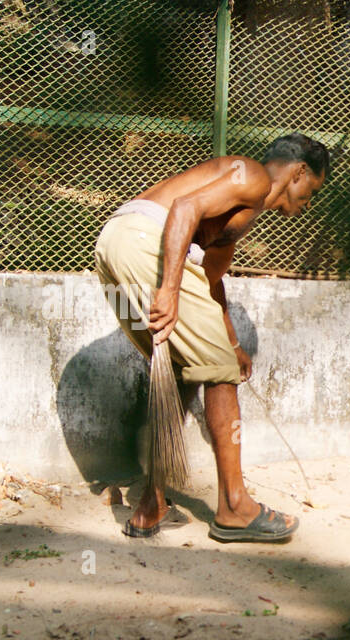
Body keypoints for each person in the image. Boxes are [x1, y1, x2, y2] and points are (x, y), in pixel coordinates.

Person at [93, 133, 329, 542]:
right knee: (220, 374)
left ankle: (152, 505)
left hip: (115, 242)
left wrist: (233, 344)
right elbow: (185, 207)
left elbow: (208, 282)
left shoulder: (233, 221)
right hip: (146, 239)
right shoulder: (252, 176)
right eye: (312, 191)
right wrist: (168, 288)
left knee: (177, 369)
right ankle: (235, 507)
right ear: (299, 172)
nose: (307, 203)